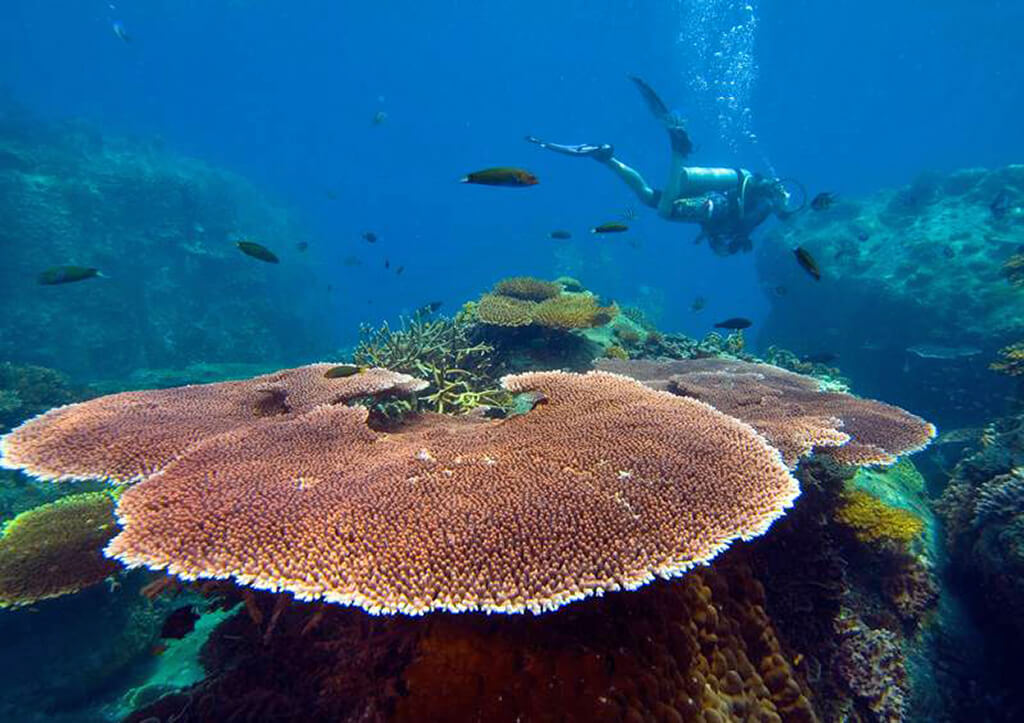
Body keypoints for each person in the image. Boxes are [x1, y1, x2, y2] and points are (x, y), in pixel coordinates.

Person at [526, 76, 793, 255]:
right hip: (713, 202)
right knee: (666, 212)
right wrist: (738, 241)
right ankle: (678, 149)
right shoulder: (765, 208)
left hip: (705, 195)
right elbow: (740, 221)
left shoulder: (761, 203)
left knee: (645, 196)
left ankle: (604, 156)